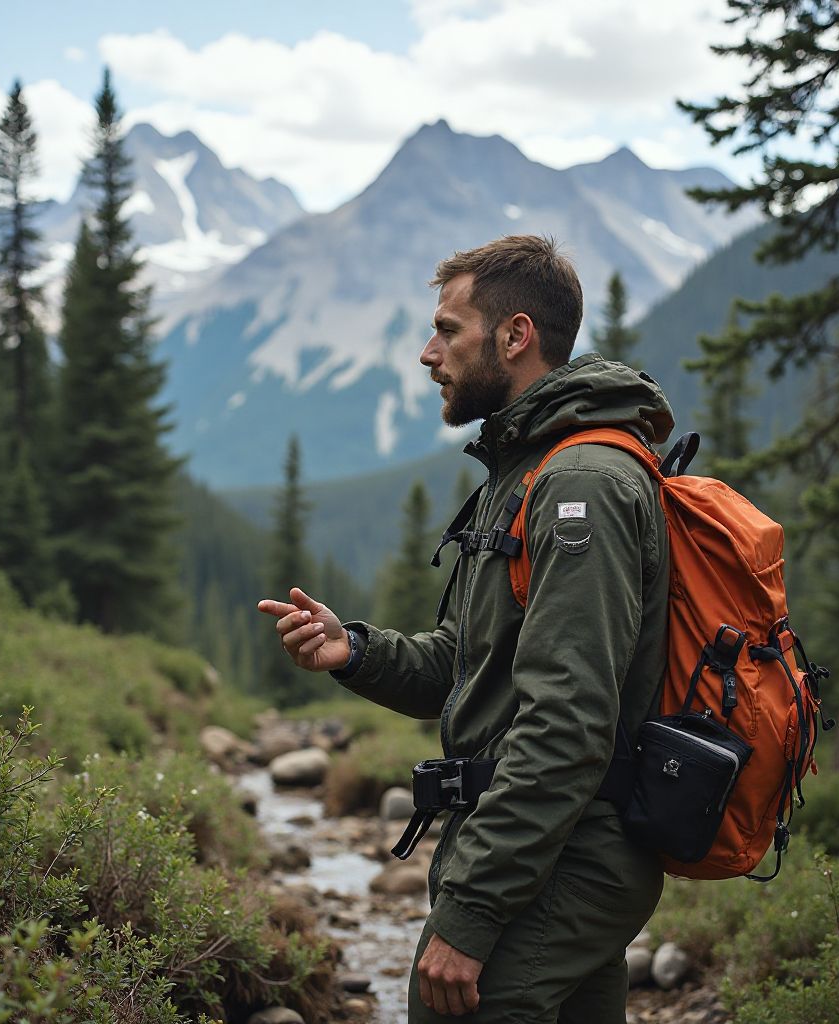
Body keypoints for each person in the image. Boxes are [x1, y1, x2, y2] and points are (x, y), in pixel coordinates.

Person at [258, 235, 676, 1022]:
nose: (428, 354)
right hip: (548, 845)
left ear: (515, 336)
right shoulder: (527, 471)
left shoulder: (581, 486)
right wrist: (356, 652)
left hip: (564, 855)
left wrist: (473, 911)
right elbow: (470, 664)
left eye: (447, 330)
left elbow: (568, 723)